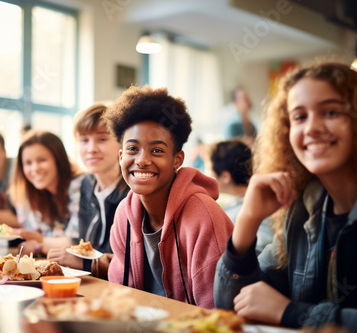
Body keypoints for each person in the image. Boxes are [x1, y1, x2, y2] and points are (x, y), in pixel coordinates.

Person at [213, 62, 357, 331]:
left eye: (331, 112)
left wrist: (292, 313)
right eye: (299, 117)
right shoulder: (303, 210)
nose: (312, 128)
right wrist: (248, 219)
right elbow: (234, 306)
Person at [104, 85, 234, 308]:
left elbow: (217, 314)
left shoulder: (204, 218)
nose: (142, 160)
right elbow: (120, 295)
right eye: (132, 149)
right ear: (121, 155)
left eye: (157, 151)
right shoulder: (124, 213)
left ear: (177, 160)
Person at [47, 102, 129, 278]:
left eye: (102, 139)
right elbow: (83, 243)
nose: (91, 149)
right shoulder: (86, 183)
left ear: (122, 143)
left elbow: (135, 265)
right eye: (84, 140)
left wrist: (85, 263)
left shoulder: (132, 193)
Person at [10, 130, 81, 255]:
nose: (35, 169)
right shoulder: (30, 194)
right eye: (28, 163)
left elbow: (76, 243)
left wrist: (40, 244)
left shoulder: (79, 185)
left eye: (42, 160)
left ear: (58, 159)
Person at [208, 140, 272, 255]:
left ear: (225, 176)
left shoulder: (252, 208)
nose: (207, 175)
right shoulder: (259, 200)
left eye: (210, 170)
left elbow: (261, 253)